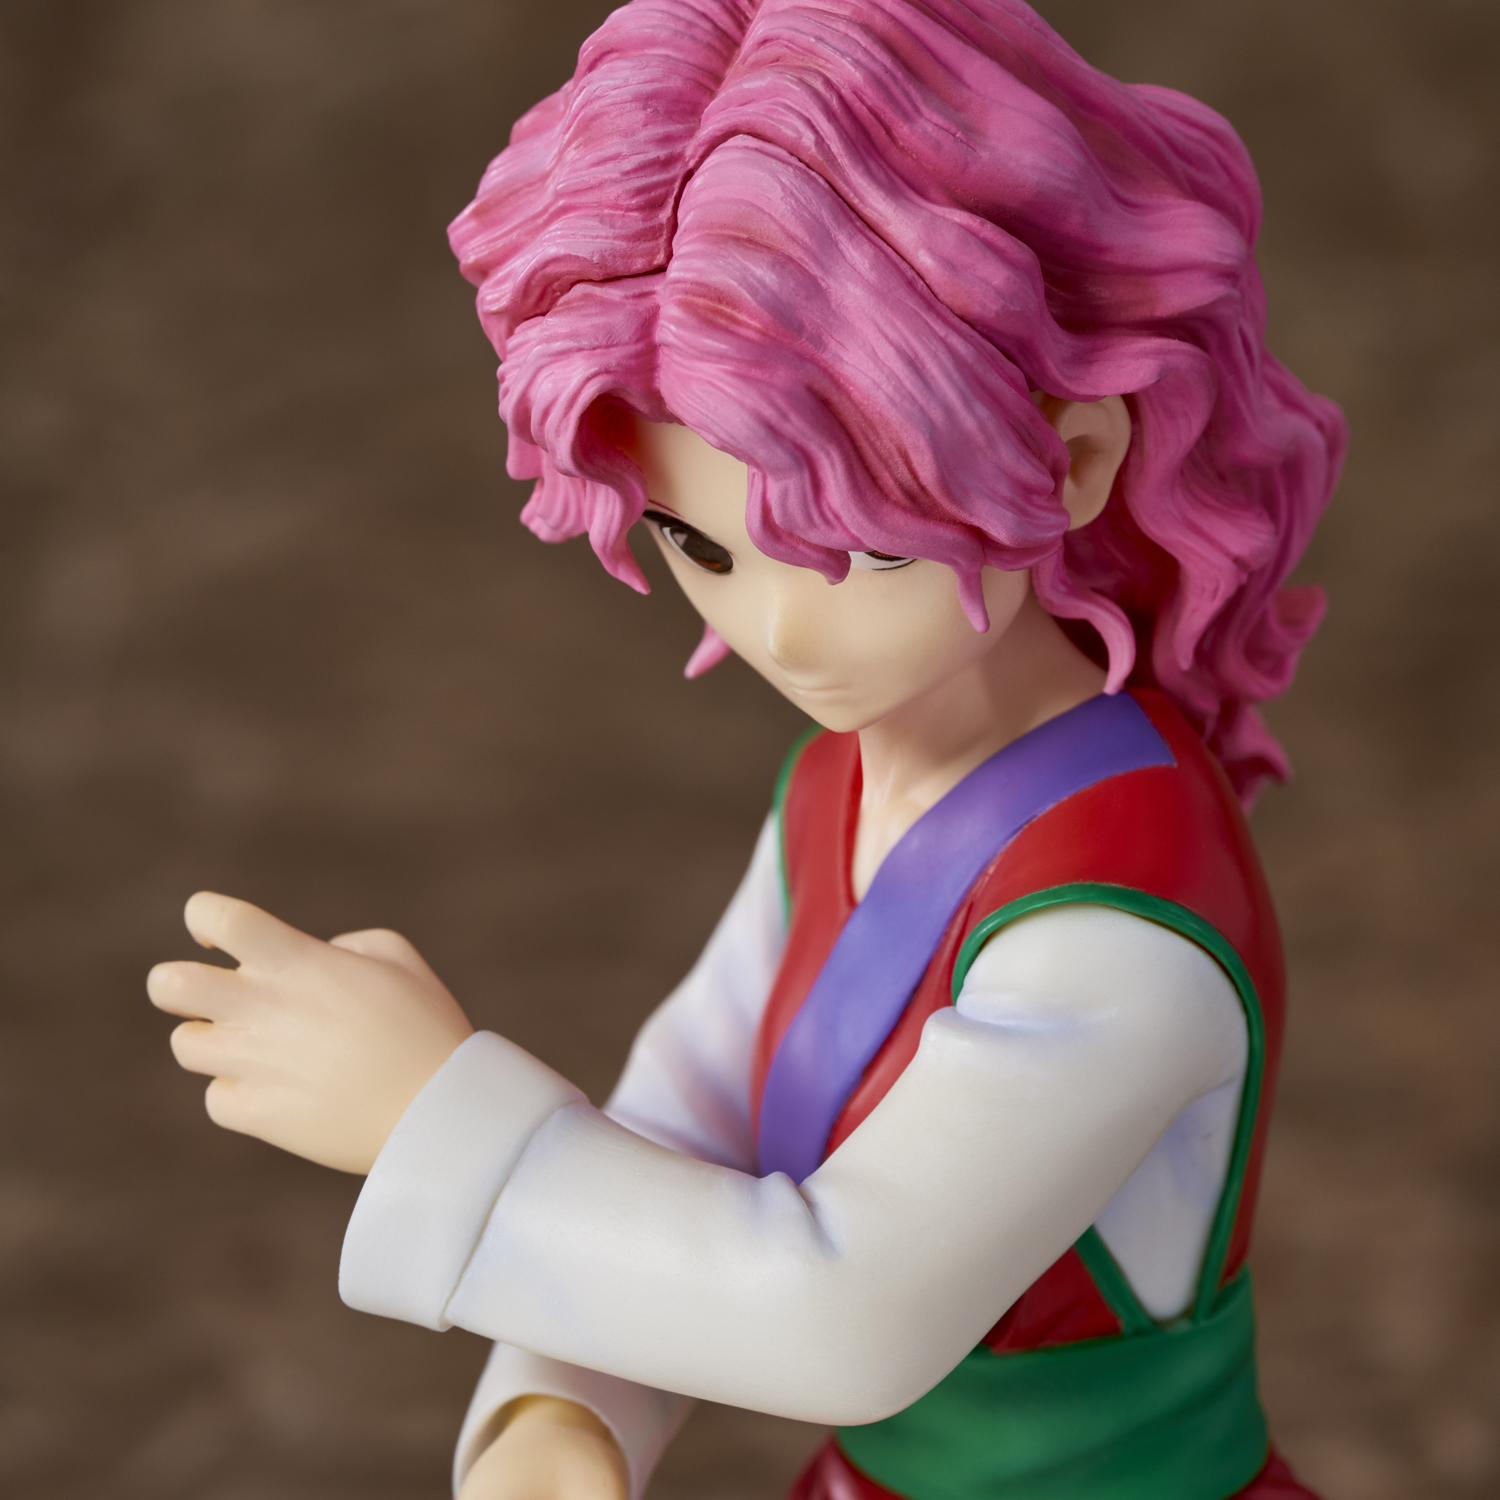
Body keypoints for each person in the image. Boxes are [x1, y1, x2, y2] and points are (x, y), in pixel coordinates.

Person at [148, 1, 1348, 1497]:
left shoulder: (1123, 919)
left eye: (864, 549)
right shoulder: (842, 785)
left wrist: (429, 1117)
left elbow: (845, 1315)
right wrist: (562, 1413)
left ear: (1075, 457)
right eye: (701, 546)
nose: (783, 630)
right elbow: (686, 1129)